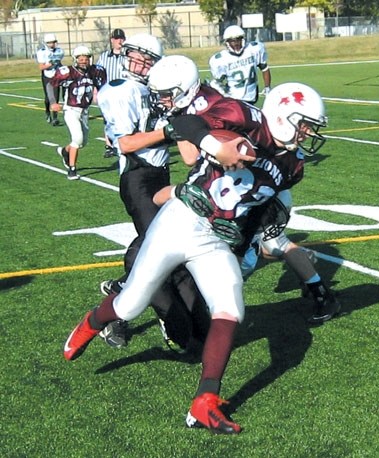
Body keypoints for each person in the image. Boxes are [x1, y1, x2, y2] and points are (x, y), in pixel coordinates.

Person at [63, 60, 328, 434]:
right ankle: (91, 323)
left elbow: (254, 207)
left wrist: (244, 237)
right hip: (183, 219)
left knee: (230, 308)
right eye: (304, 125)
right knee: (132, 302)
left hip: (216, 238)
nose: (307, 134)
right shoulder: (243, 115)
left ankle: (205, 401)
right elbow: (186, 123)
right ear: (285, 116)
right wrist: (212, 147)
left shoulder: (293, 167)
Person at [97, 36, 211, 350]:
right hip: (137, 177)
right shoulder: (121, 90)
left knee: (161, 247)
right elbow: (124, 143)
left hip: (161, 176)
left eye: (148, 60)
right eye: (136, 55)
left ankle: (124, 293)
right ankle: (120, 307)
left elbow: (188, 156)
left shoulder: (158, 89)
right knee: (156, 249)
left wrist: (186, 119)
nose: (139, 63)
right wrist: (167, 131)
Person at [48, 45, 107, 180]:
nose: (83, 61)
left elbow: (102, 86)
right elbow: (50, 84)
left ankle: (64, 151)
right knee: (78, 139)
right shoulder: (68, 71)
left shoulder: (95, 71)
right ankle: (72, 169)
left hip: (85, 111)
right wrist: (52, 102)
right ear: (75, 59)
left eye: (86, 58)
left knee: (82, 142)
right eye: (80, 58)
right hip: (71, 109)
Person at [208, 25, 271, 105]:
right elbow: (217, 82)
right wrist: (223, 92)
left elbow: (264, 68)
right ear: (227, 43)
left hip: (251, 95)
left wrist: (267, 87)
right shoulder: (221, 60)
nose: (236, 43)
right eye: (232, 41)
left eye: (238, 40)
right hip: (234, 98)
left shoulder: (253, 49)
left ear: (243, 39)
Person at [96, 28, 126, 158]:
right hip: (109, 91)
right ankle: (109, 145)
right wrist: (96, 90)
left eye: (121, 38)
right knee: (108, 119)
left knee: (125, 118)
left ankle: (123, 143)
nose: (119, 41)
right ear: (112, 40)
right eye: (116, 38)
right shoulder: (104, 56)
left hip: (125, 91)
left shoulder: (128, 56)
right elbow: (97, 73)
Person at [36, 33, 64, 126]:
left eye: (53, 42)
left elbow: (59, 62)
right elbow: (41, 67)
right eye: (49, 43)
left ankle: (55, 118)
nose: (52, 44)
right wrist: (50, 64)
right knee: (48, 98)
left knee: (55, 97)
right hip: (47, 75)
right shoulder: (42, 52)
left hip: (56, 75)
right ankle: (47, 111)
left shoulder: (59, 51)